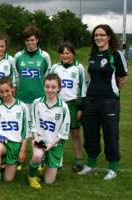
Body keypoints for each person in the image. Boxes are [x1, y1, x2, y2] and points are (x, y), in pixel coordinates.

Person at [79, 24, 128, 180]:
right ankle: (91, 166)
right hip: (91, 100)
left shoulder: (116, 55)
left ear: (109, 36)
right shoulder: (92, 55)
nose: (98, 38)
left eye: (101, 35)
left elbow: (123, 77)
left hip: (109, 101)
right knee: (90, 133)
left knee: (110, 134)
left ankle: (112, 168)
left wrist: (114, 93)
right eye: (96, 35)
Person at [49, 42, 88, 172]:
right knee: (55, 133)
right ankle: (56, 161)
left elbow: (83, 87)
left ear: (73, 54)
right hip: (58, 104)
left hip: (73, 104)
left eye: (68, 53)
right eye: (62, 53)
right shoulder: (55, 68)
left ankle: (78, 160)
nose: (65, 56)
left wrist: (81, 108)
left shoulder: (79, 68)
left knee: (75, 132)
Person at [0, 76, 31, 189]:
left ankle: (4, 162)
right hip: (1, 140)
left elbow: (26, 132)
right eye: (1, 92)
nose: (5, 94)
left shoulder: (22, 107)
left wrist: (22, 151)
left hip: (15, 144)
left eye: (7, 91)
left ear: (12, 89)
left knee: (8, 179)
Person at [28, 73, 70, 189]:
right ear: (44, 87)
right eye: (47, 87)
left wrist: (52, 144)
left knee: (49, 182)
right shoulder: (37, 103)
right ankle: (31, 176)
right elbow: (33, 123)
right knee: (37, 156)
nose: (50, 90)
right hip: (40, 139)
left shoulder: (63, 107)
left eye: (53, 87)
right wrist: (36, 138)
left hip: (55, 144)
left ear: (59, 88)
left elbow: (64, 131)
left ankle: (45, 164)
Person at [14, 26, 51, 111]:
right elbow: (16, 78)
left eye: (32, 40)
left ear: (37, 39)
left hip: (39, 98)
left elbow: (47, 77)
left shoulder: (45, 56)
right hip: (22, 98)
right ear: (24, 41)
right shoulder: (18, 56)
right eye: (27, 40)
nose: (30, 42)